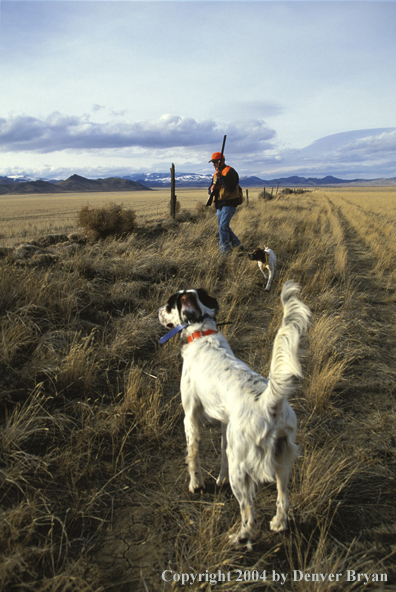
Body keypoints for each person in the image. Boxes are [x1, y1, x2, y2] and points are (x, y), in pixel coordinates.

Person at [206, 152, 243, 255]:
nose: (213, 165)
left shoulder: (230, 171)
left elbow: (231, 187)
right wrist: (211, 188)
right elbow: (211, 189)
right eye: (212, 162)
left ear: (221, 161)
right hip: (219, 205)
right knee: (224, 227)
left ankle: (224, 253)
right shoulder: (215, 174)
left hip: (229, 203)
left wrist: (221, 177)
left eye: (215, 162)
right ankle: (238, 246)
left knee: (223, 227)